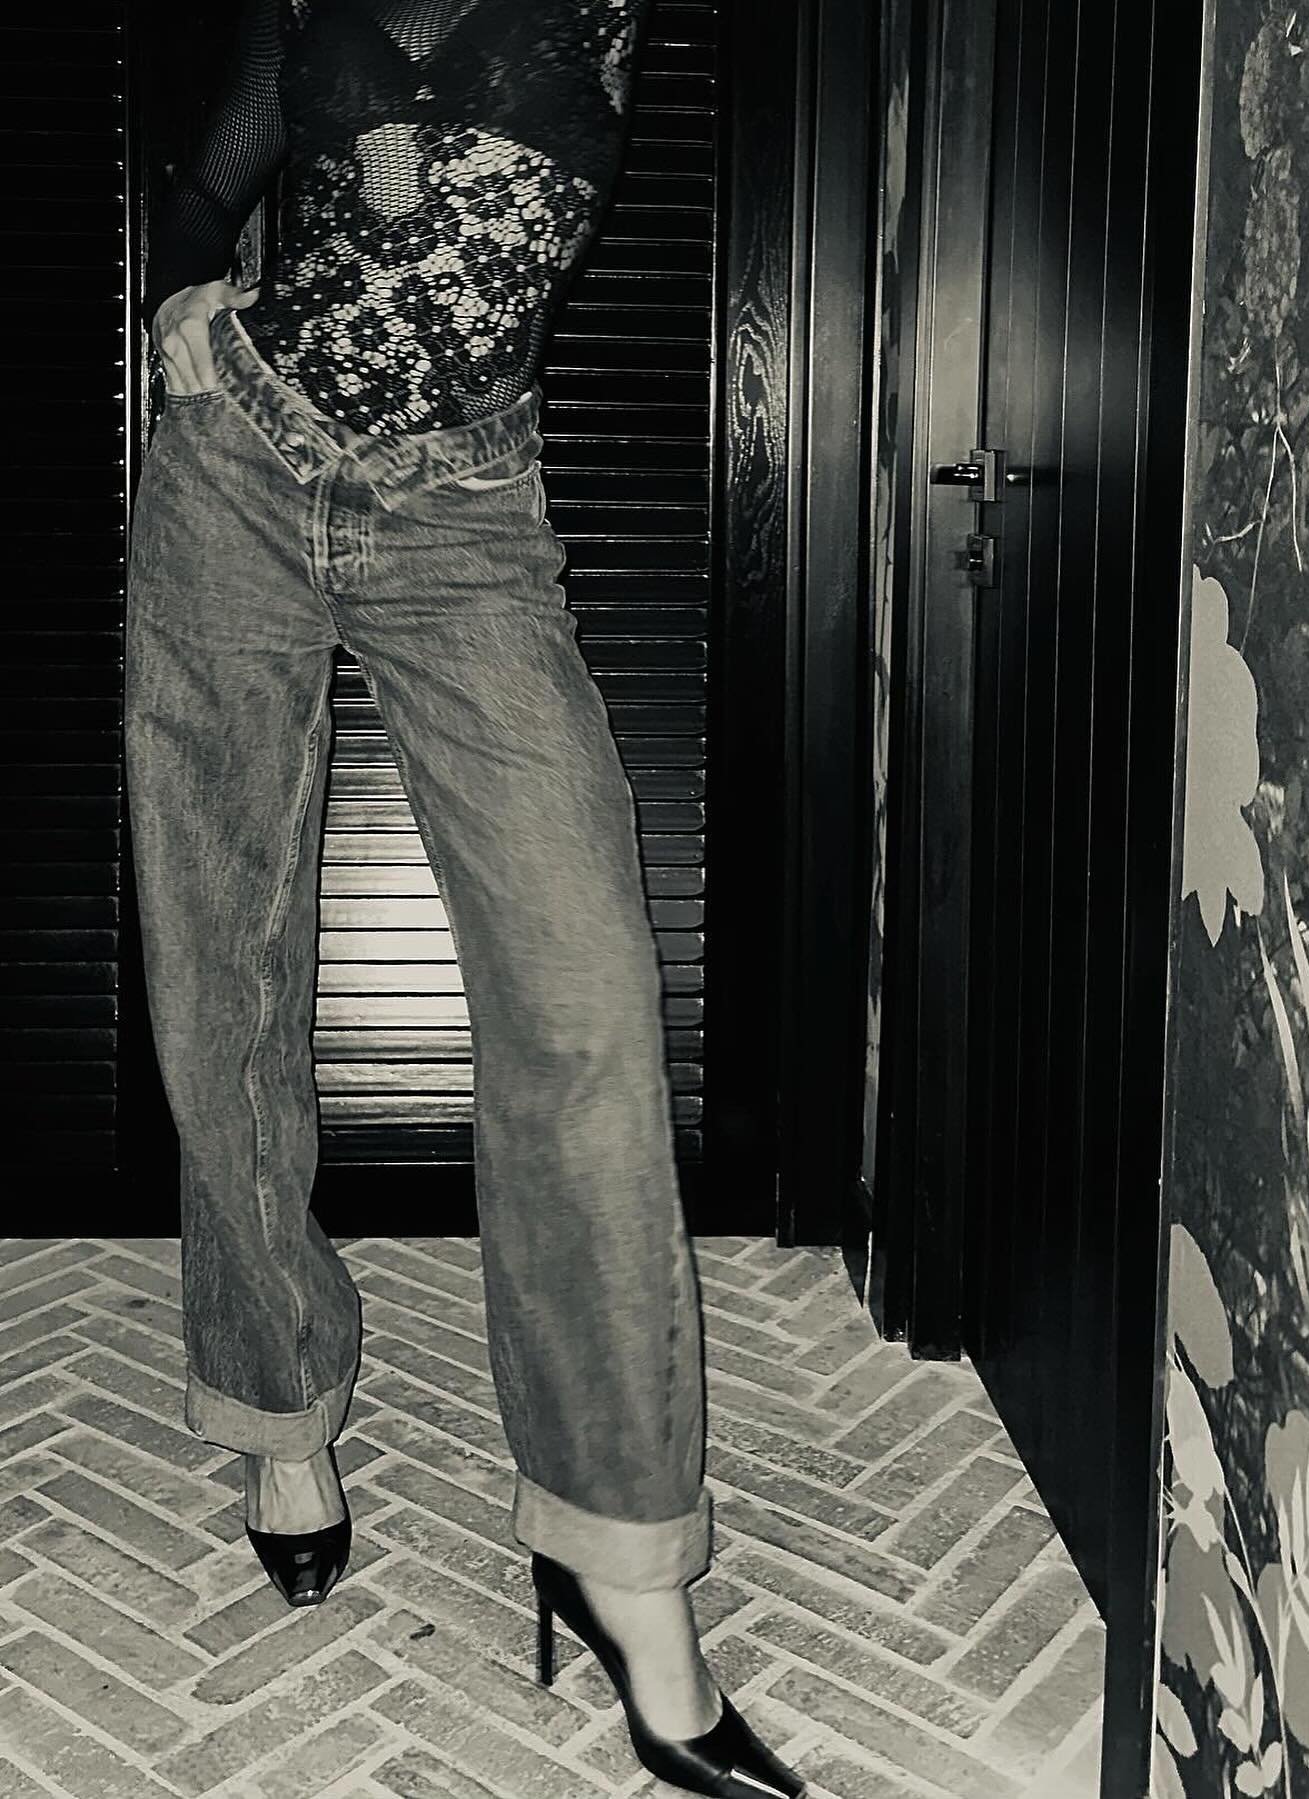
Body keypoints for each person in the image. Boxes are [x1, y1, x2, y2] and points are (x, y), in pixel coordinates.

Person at [129, 3, 804, 1794]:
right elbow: (207, 184)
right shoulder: (300, 13)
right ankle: (280, 1405)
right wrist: (184, 297)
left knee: (584, 1008)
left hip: (463, 515)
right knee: (221, 971)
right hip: (228, 484)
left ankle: (620, 1553)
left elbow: (503, 206)